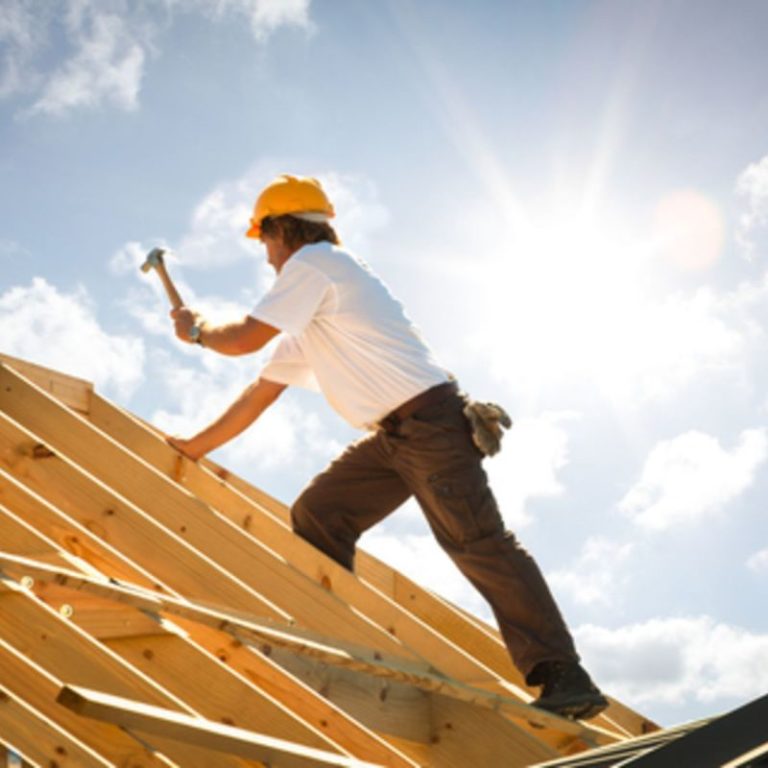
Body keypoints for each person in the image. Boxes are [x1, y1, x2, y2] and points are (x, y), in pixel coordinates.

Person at [167, 174, 608, 720]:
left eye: (265, 242)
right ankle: (335, 632)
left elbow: (240, 340)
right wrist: (192, 448)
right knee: (320, 512)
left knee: (477, 543)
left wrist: (196, 331)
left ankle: (564, 675)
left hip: (430, 426)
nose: (266, 259)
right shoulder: (315, 307)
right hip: (395, 437)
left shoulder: (315, 267)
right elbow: (259, 394)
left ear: (283, 231)